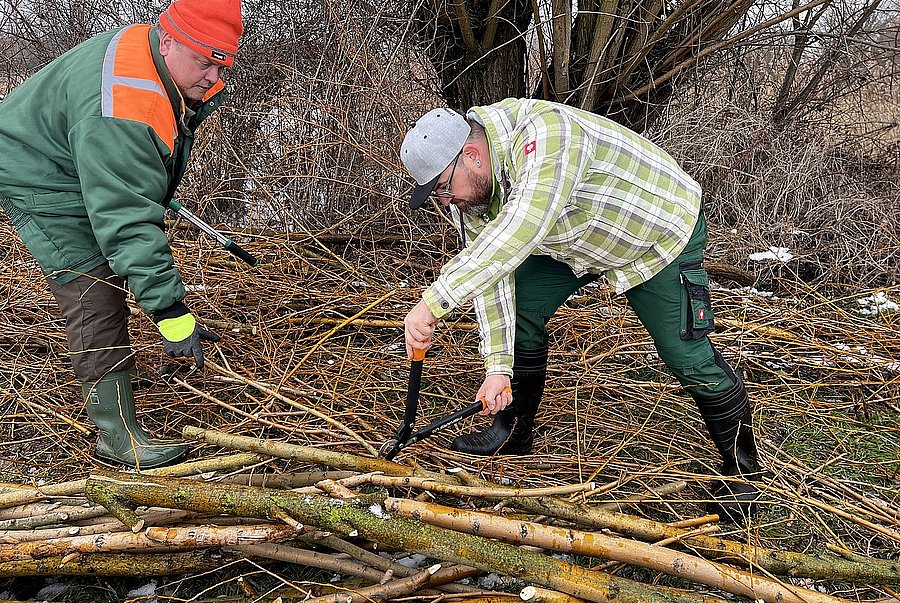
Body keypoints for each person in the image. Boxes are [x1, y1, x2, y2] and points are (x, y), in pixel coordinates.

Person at [399, 99, 764, 522]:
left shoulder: (546, 134)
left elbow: (520, 229)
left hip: (654, 235)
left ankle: (745, 470)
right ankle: (512, 432)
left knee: (685, 355)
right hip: (572, 240)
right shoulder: (475, 200)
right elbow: (493, 276)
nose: (447, 202)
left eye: (444, 189)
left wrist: (432, 303)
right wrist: (497, 369)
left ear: (472, 156)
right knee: (521, 309)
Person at [0, 0, 243, 469]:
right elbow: (127, 219)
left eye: (221, 64)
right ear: (168, 40)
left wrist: (136, 176)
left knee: (113, 252)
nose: (213, 77)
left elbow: (133, 161)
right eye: (203, 61)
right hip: (35, 169)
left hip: (74, 152)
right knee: (91, 282)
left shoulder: (156, 56)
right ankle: (118, 437)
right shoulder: (124, 103)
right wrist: (171, 313)